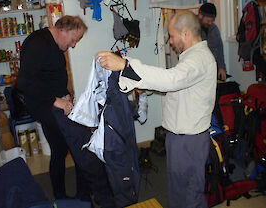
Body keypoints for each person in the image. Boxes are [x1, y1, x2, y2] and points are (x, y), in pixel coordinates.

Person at [96, 11, 217, 208]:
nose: (170, 41)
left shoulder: (200, 59)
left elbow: (173, 80)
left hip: (189, 140)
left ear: (185, 33)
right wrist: (146, 86)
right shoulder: (191, 57)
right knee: (178, 190)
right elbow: (179, 84)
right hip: (180, 137)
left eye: (172, 35)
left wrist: (125, 66)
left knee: (191, 194)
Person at [16, 16, 114, 208]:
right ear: (64, 30)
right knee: (77, 147)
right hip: (45, 107)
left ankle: (75, 197)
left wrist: (66, 96)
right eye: (74, 39)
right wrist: (56, 101)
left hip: (55, 104)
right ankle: (76, 197)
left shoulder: (55, 45)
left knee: (62, 150)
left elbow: (52, 77)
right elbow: (24, 84)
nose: (74, 44)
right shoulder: (38, 44)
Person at [198, 2, 227, 81]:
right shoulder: (193, 29)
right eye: (208, 20)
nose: (210, 23)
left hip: (213, 69)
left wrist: (221, 67)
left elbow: (219, 48)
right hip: (198, 70)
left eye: (212, 21)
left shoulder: (214, 29)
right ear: (200, 16)